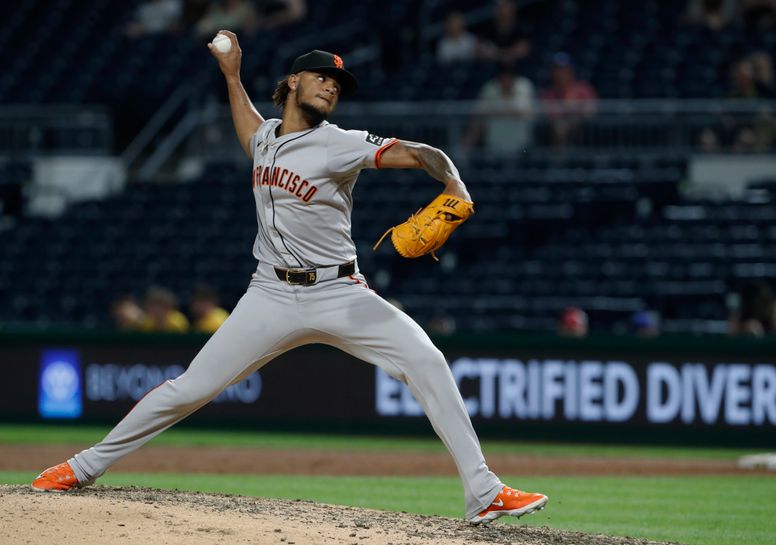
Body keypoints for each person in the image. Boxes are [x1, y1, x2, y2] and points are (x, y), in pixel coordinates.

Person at [31, 32, 548, 525]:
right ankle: (81, 467)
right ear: (294, 81)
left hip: (339, 291)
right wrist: (232, 75)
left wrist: (452, 178)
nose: (331, 86)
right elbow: (250, 130)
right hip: (270, 294)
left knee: (426, 360)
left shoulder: (339, 143)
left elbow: (416, 152)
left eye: (338, 84)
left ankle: (483, 493)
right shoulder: (265, 139)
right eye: (322, 77)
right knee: (189, 388)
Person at [461, 62, 536, 155]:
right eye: (503, 76)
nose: (506, 80)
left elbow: (528, 113)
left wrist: (496, 110)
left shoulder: (524, 86)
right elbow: (479, 111)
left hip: (520, 138)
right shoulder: (490, 88)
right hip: (495, 139)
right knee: (477, 123)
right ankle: (462, 153)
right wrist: (509, 111)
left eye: (509, 76)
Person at [540, 52, 598, 148]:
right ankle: (560, 159)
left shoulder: (583, 89)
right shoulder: (548, 93)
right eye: (557, 69)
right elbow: (546, 113)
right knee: (560, 127)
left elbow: (591, 111)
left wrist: (571, 109)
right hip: (555, 128)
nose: (560, 73)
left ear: (571, 71)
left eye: (563, 69)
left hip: (582, 128)